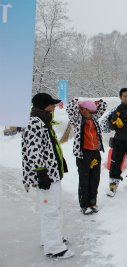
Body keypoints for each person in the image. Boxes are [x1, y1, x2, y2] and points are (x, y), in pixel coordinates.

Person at [21, 93, 74, 259]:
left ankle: (52, 238)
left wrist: (60, 162)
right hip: (45, 176)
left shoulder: (44, 120)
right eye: (51, 104)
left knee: (54, 208)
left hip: (52, 174)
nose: (54, 106)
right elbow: (32, 149)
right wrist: (40, 172)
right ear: (45, 105)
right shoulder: (34, 123)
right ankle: (54, 248)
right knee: (49, 210)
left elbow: (50, 147)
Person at [66, 98, 107, 214]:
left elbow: (103, 106)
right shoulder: (77, 120)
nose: (93, 114)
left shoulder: (94, 119)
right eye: (90, 112)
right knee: (84, 180)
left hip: (95, 153)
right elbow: (69, 108)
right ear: (83, 110)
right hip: (83, 154)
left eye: (94, 112)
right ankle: (84, 205)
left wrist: (98, 103)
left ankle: (92, 202)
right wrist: (76, 102)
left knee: (95, 179)